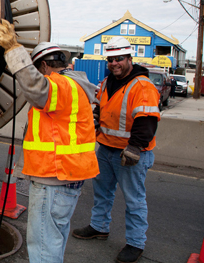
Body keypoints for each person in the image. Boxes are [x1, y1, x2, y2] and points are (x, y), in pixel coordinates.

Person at [0, 20, 99, 263]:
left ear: (43, 65)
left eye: (37, 68)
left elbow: (36, 88)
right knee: (54, 240)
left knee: (43, 249)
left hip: (54, 178)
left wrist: (13, 49)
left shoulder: (61, 85)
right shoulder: (77, 86)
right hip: (67, 178)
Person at [72, 36, 161, 263]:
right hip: (106, 148)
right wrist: (92, 122)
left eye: (119, 59)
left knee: (134, 200)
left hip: (130, 153)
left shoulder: (142, 86)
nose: (114, 63)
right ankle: (99, 227)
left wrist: (135, 147)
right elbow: (99, 109)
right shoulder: (106, 82)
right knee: (102, 193)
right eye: (111, 59)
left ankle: (135, 243)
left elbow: (147, 120)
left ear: (129, 58)